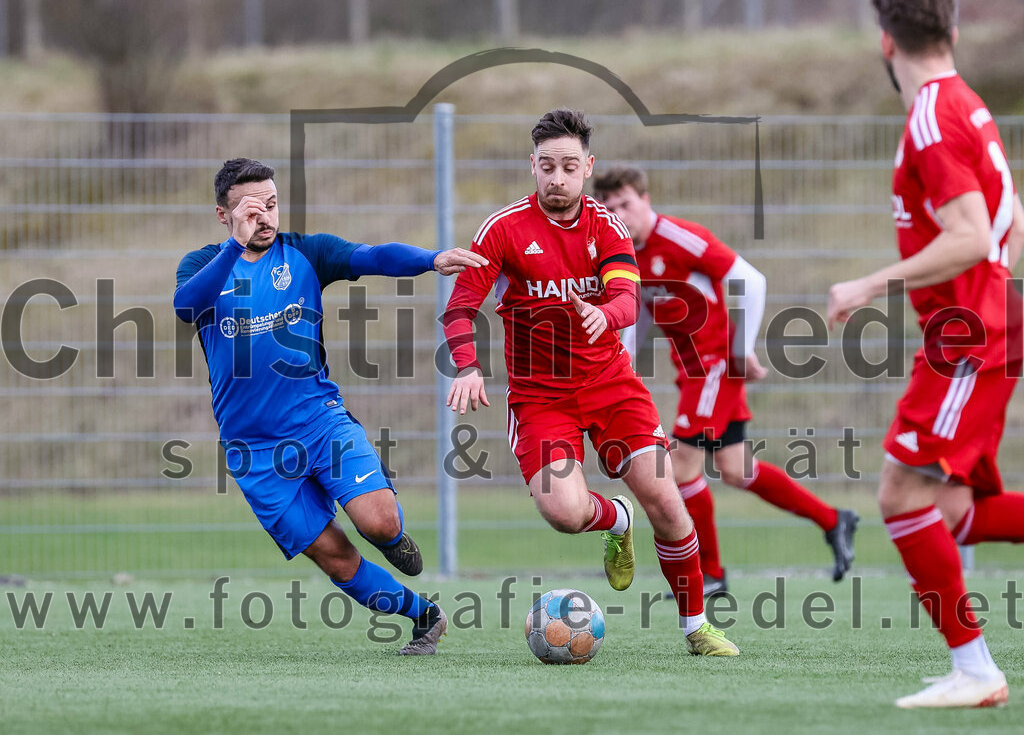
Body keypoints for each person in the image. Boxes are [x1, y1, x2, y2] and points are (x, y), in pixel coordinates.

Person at [443, 109, 740, 656]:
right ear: (532, 165)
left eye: (569, 166)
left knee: (666, 500)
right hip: (540, 396)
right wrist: (467, 364)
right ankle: (616, 518)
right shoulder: (503, 229)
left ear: (587, 167)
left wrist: (607, 314)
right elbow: (460, 307)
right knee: (564, 513)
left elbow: (626, 294)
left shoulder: (607, 225)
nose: (557, 177)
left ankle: (697, 627)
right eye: (547, 166)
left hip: (609, 383)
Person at [174, 158, 486, 655]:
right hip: (256, 452)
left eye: (271, 205)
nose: (264, 218)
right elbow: (187, 306)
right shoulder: (202, 266)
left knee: (379, 523)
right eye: (251, 211)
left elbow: (374, 256)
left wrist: (431, 259)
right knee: (336, 559)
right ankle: (423, 615)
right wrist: (235, 244)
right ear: (223, 215)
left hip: (320, 421)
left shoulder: (305, 253)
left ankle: (392, 537)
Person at [828, 0, 1024, 708]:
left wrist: (871, 282)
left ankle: (975, 671)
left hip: (967, 336)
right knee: (950, 511)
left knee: (902, 493)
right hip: (983, 323)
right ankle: (972, 669)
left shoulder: (933, 119)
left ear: (886, 41)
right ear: (952, 31)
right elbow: (1010, 221)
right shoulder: (967, 105)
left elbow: (972, 234)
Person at [593, 166, 858, 596]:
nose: (620, 215)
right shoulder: (624, 253)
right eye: (610, 209)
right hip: (692, 371)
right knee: (736, 469)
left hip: (714, 366)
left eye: (626, 204)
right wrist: (622, 360)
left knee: (681, 467)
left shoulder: (679, 237)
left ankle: (710, 573)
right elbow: (638, 310)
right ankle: (834, 520)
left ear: (645, 199)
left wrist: (741, 351)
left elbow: (751, 281)